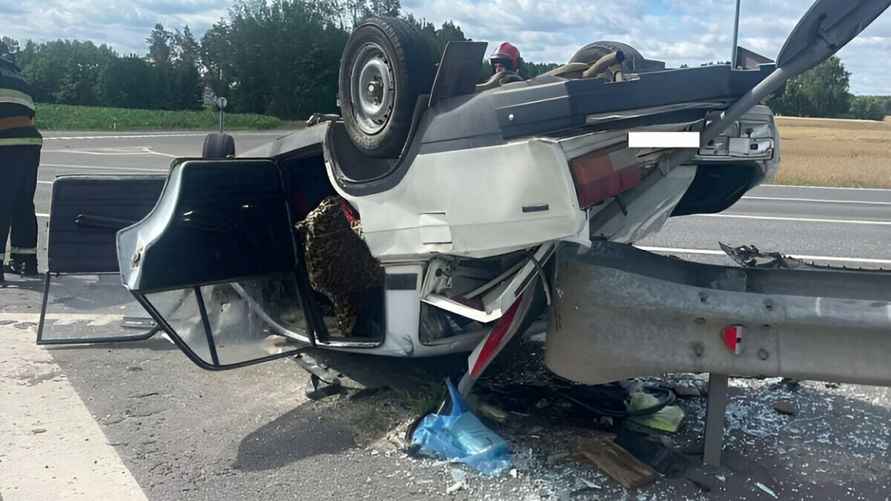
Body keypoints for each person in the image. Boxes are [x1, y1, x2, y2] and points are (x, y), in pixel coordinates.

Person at [0, 54, 42, 283]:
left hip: (4, 143)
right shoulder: (18, 78)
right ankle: (25, 261)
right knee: (22, 202)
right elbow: (31, 116)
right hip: (30, 145)